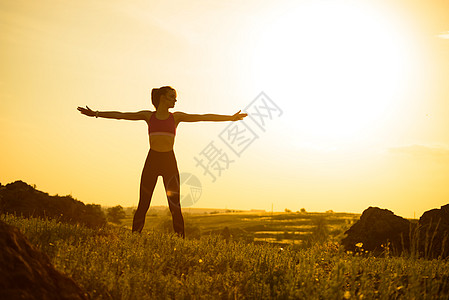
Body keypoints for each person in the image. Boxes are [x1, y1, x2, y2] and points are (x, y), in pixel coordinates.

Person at [77, 86, 247, 238]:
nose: (175, 100)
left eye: (175, 97)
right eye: (172, 96)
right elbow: (120, 115)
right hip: (152, 160)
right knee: (143, 203)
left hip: (169, 162)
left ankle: (180, 240)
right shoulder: (148, 116)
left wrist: (230, 118)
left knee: (175, 206)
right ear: (162, 98)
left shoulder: (176, 117)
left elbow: (203, 117)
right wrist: (96, 114)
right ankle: (134, 237)